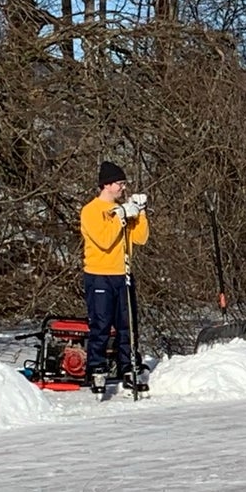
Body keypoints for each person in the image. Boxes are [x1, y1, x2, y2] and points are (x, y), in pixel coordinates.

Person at [79, 160, 149, 396]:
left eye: (124, 183)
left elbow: (140, 238)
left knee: (127, 324)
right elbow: (104, 240)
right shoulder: (91, 211)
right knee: (100, 323)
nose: (123, 188)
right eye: (119, 183)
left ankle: (128, 364)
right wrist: (120, 216)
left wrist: (139, 214)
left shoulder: (122, 209)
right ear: (107, 185)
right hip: (99, 275)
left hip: (123, 274)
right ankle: (97, 366)